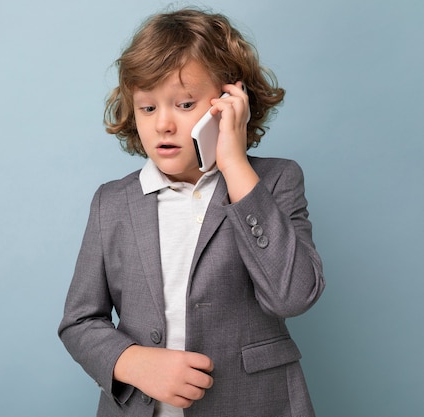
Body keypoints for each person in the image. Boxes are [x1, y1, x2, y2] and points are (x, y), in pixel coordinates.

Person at [58, 8, 325, 417]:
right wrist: (132, 362)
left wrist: (235, 164)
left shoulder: (275, 181)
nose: (163, 124)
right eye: (148, 108)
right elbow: (79, 321)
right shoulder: (110, 203)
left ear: (229, 103)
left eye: (184, 104)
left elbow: (291, 296)